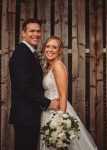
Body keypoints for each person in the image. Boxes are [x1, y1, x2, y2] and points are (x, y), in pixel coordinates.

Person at [9, 18, 59, 150]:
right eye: (32, 31)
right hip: (25, 116)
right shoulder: (21, 53)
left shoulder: (29, 53)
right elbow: (24, 86)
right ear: (23, 33)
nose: (36, 34)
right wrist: (48, 103)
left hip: (30, 115)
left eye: (38, 31)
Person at [40, 36, 98, 150]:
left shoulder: (58, 66)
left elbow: (63, 95)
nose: (50, 50)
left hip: (57, 112)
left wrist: (61, 121)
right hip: (48, 111)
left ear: (60, 50)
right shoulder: (50, 67)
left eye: (54, 47)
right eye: (48, 46)